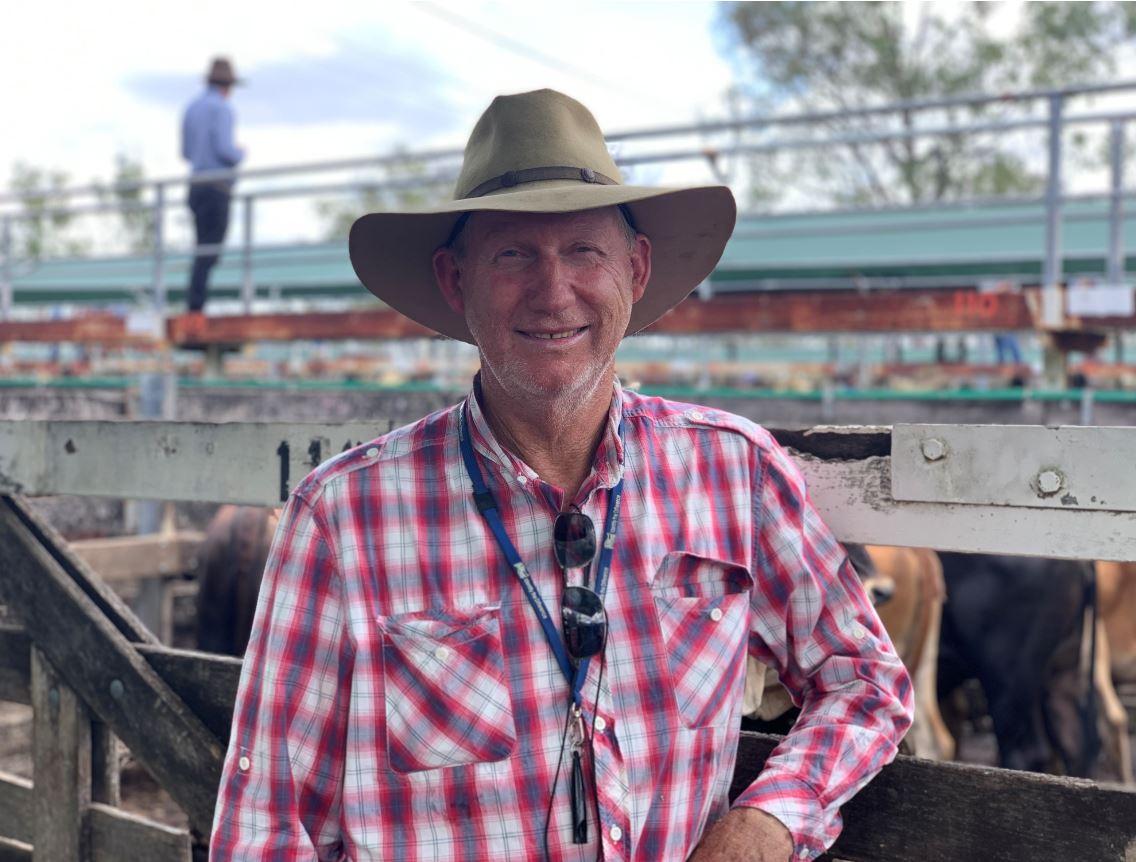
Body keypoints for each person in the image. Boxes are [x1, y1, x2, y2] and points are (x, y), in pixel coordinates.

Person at [210, 89, 913, 862]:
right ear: (455, 281)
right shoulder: (343, 518)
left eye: (584, 251)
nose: (553, 293)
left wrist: (767, 823)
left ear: (635, 270)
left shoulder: (733, 473)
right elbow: (264, 829)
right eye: (513, 255)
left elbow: (864, 680)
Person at [181, 57, 245, 312]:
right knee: (210, 250)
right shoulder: (223, 109)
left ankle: (195, 304)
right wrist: (240, 154)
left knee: (202, 248)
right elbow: (225, 149)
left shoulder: (191, 108)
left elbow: (186, 152)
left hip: (196, 184)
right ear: (227, 86)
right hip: (217, 186)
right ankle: (196, 306)